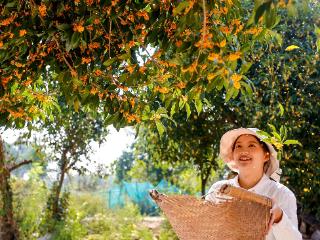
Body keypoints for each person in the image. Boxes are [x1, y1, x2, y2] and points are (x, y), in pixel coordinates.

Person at [205, 128, 302, 240]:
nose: (244, 151)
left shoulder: (282, 194)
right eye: (238, 146)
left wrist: (279, 217)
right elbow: (204, 231)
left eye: (251, 145)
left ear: (266, 155)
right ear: (233, 155)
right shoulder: (218, 189)